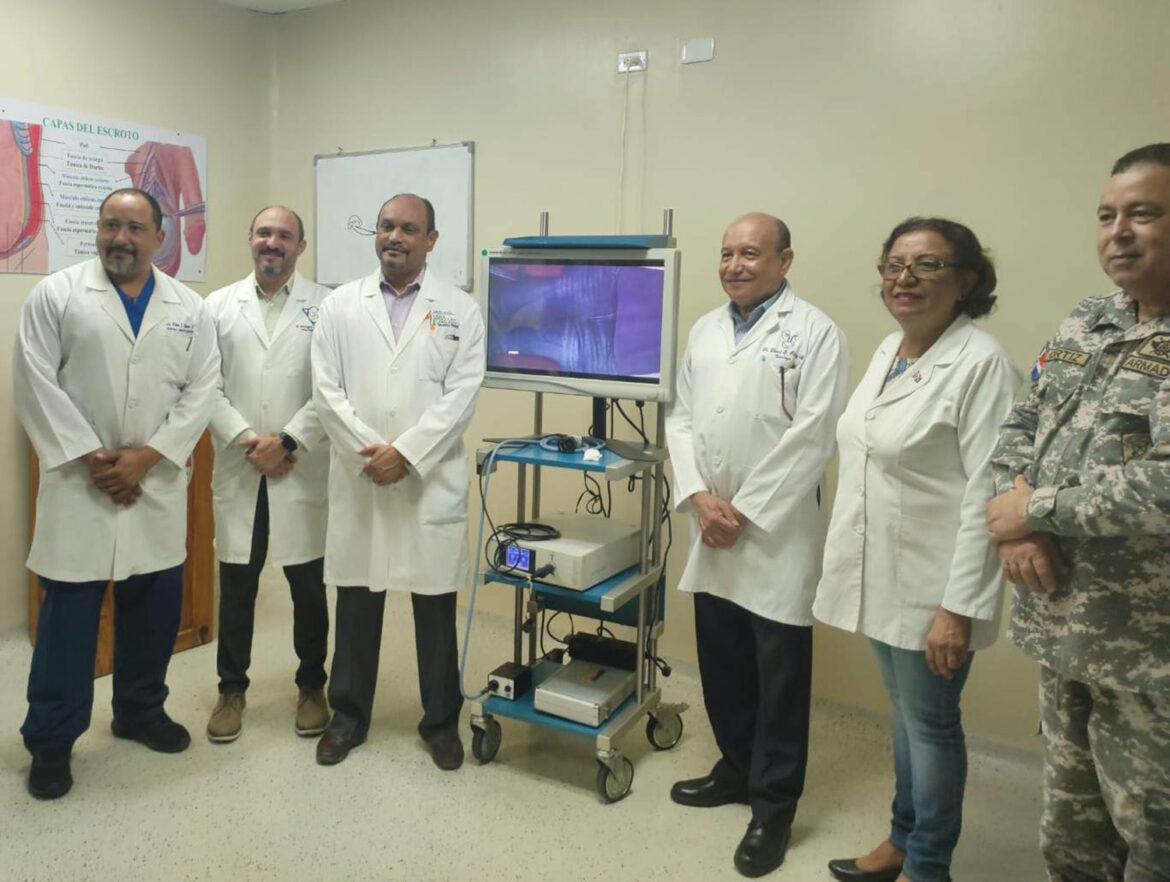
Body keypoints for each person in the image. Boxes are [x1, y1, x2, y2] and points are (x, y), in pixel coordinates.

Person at [814, 218, 1019, 882]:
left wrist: (957, 608)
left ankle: (927, 866)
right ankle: (902, 840)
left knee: (930, 725)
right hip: (878, 572)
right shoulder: (889, 350)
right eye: (894, 264)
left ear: (966, 281)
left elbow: (988, 493)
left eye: (927, 265)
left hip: (935, 588)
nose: (905, 278)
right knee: (904, 716)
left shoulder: (982, 364)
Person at [987, 144, 1170, 882]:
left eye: (1142, 214)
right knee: (1071, 835)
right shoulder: (1088, 321)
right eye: (1106, 215)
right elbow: (1019, 429)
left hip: (1149, 656)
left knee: (1154, 841)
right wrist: (1017, 528)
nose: (1118, 232)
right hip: (1065, 630)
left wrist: (1037, 510)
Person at [13, 187, 219, 799]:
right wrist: (94, 457)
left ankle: (139, 711)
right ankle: (52, 741)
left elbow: (202, 389)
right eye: (110, 226)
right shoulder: (57, 294)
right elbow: (34, 379)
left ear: (160, 237)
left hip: (154, 483)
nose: (120, 239)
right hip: (81, 483)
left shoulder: (189, 307)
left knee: (153, 613)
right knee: (68, 623)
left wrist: (146, 458)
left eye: (134, 228)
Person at [664, 212, 849, 877]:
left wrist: (742, 512)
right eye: (726, 254)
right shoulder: (705, 330)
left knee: (779, 678)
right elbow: (680, 417)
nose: (734, 265)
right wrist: (696, 496)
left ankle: (773, 808)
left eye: (749, 253)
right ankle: (736, 768)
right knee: (722, 661)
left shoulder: (817, 332)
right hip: (710, 522)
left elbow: (814, 435)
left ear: (784, 260)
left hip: (774, 533)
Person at [310, 193, 484, 770]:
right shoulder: (340, 304)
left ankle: (441, 724)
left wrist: (405, 454)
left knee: (434, 609)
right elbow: (326, 391)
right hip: (361, 475)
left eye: (409, 229)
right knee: (356, 604)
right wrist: (371, 453)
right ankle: (347, 718)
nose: (395, 237)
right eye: (387, 226)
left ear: (431, 240)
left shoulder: (460, 310)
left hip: (427, 481)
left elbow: (462, 395)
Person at [203, 206, 332, 743]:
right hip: (241, 464)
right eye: (264, 233)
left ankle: (312, 686)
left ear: (301, 245)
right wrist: (247, 439)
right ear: (250, 239)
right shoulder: (216, 307)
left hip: (300, 465)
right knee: (237, 583)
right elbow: (203, 386)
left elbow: (332, 390)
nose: (272, 242)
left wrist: (287, 441)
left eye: (283, 235)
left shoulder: (327, 306)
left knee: (307, 584)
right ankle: (231, 690)